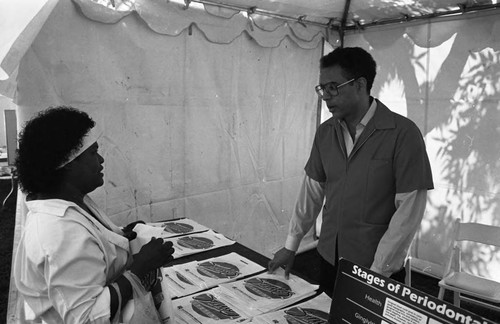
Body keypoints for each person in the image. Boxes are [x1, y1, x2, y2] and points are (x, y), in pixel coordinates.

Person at [268, 47, 433, 296]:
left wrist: (377, 273)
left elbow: (408, 213)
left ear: (360, 84)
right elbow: (312, 191)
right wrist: (291, 245)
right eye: (322, 89)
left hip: (376, 268)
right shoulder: (326, 132)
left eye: (332, 87)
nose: (325, 96)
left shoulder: (403, 134)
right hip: (329, 258)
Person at [13, 106, 175, 323]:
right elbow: (88, 317)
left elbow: (91, 244)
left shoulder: (71, 201)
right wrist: (142, 266)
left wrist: (118, 236)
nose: (101, 160)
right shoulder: (59, 230)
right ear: (69, 164)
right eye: (92, 153)